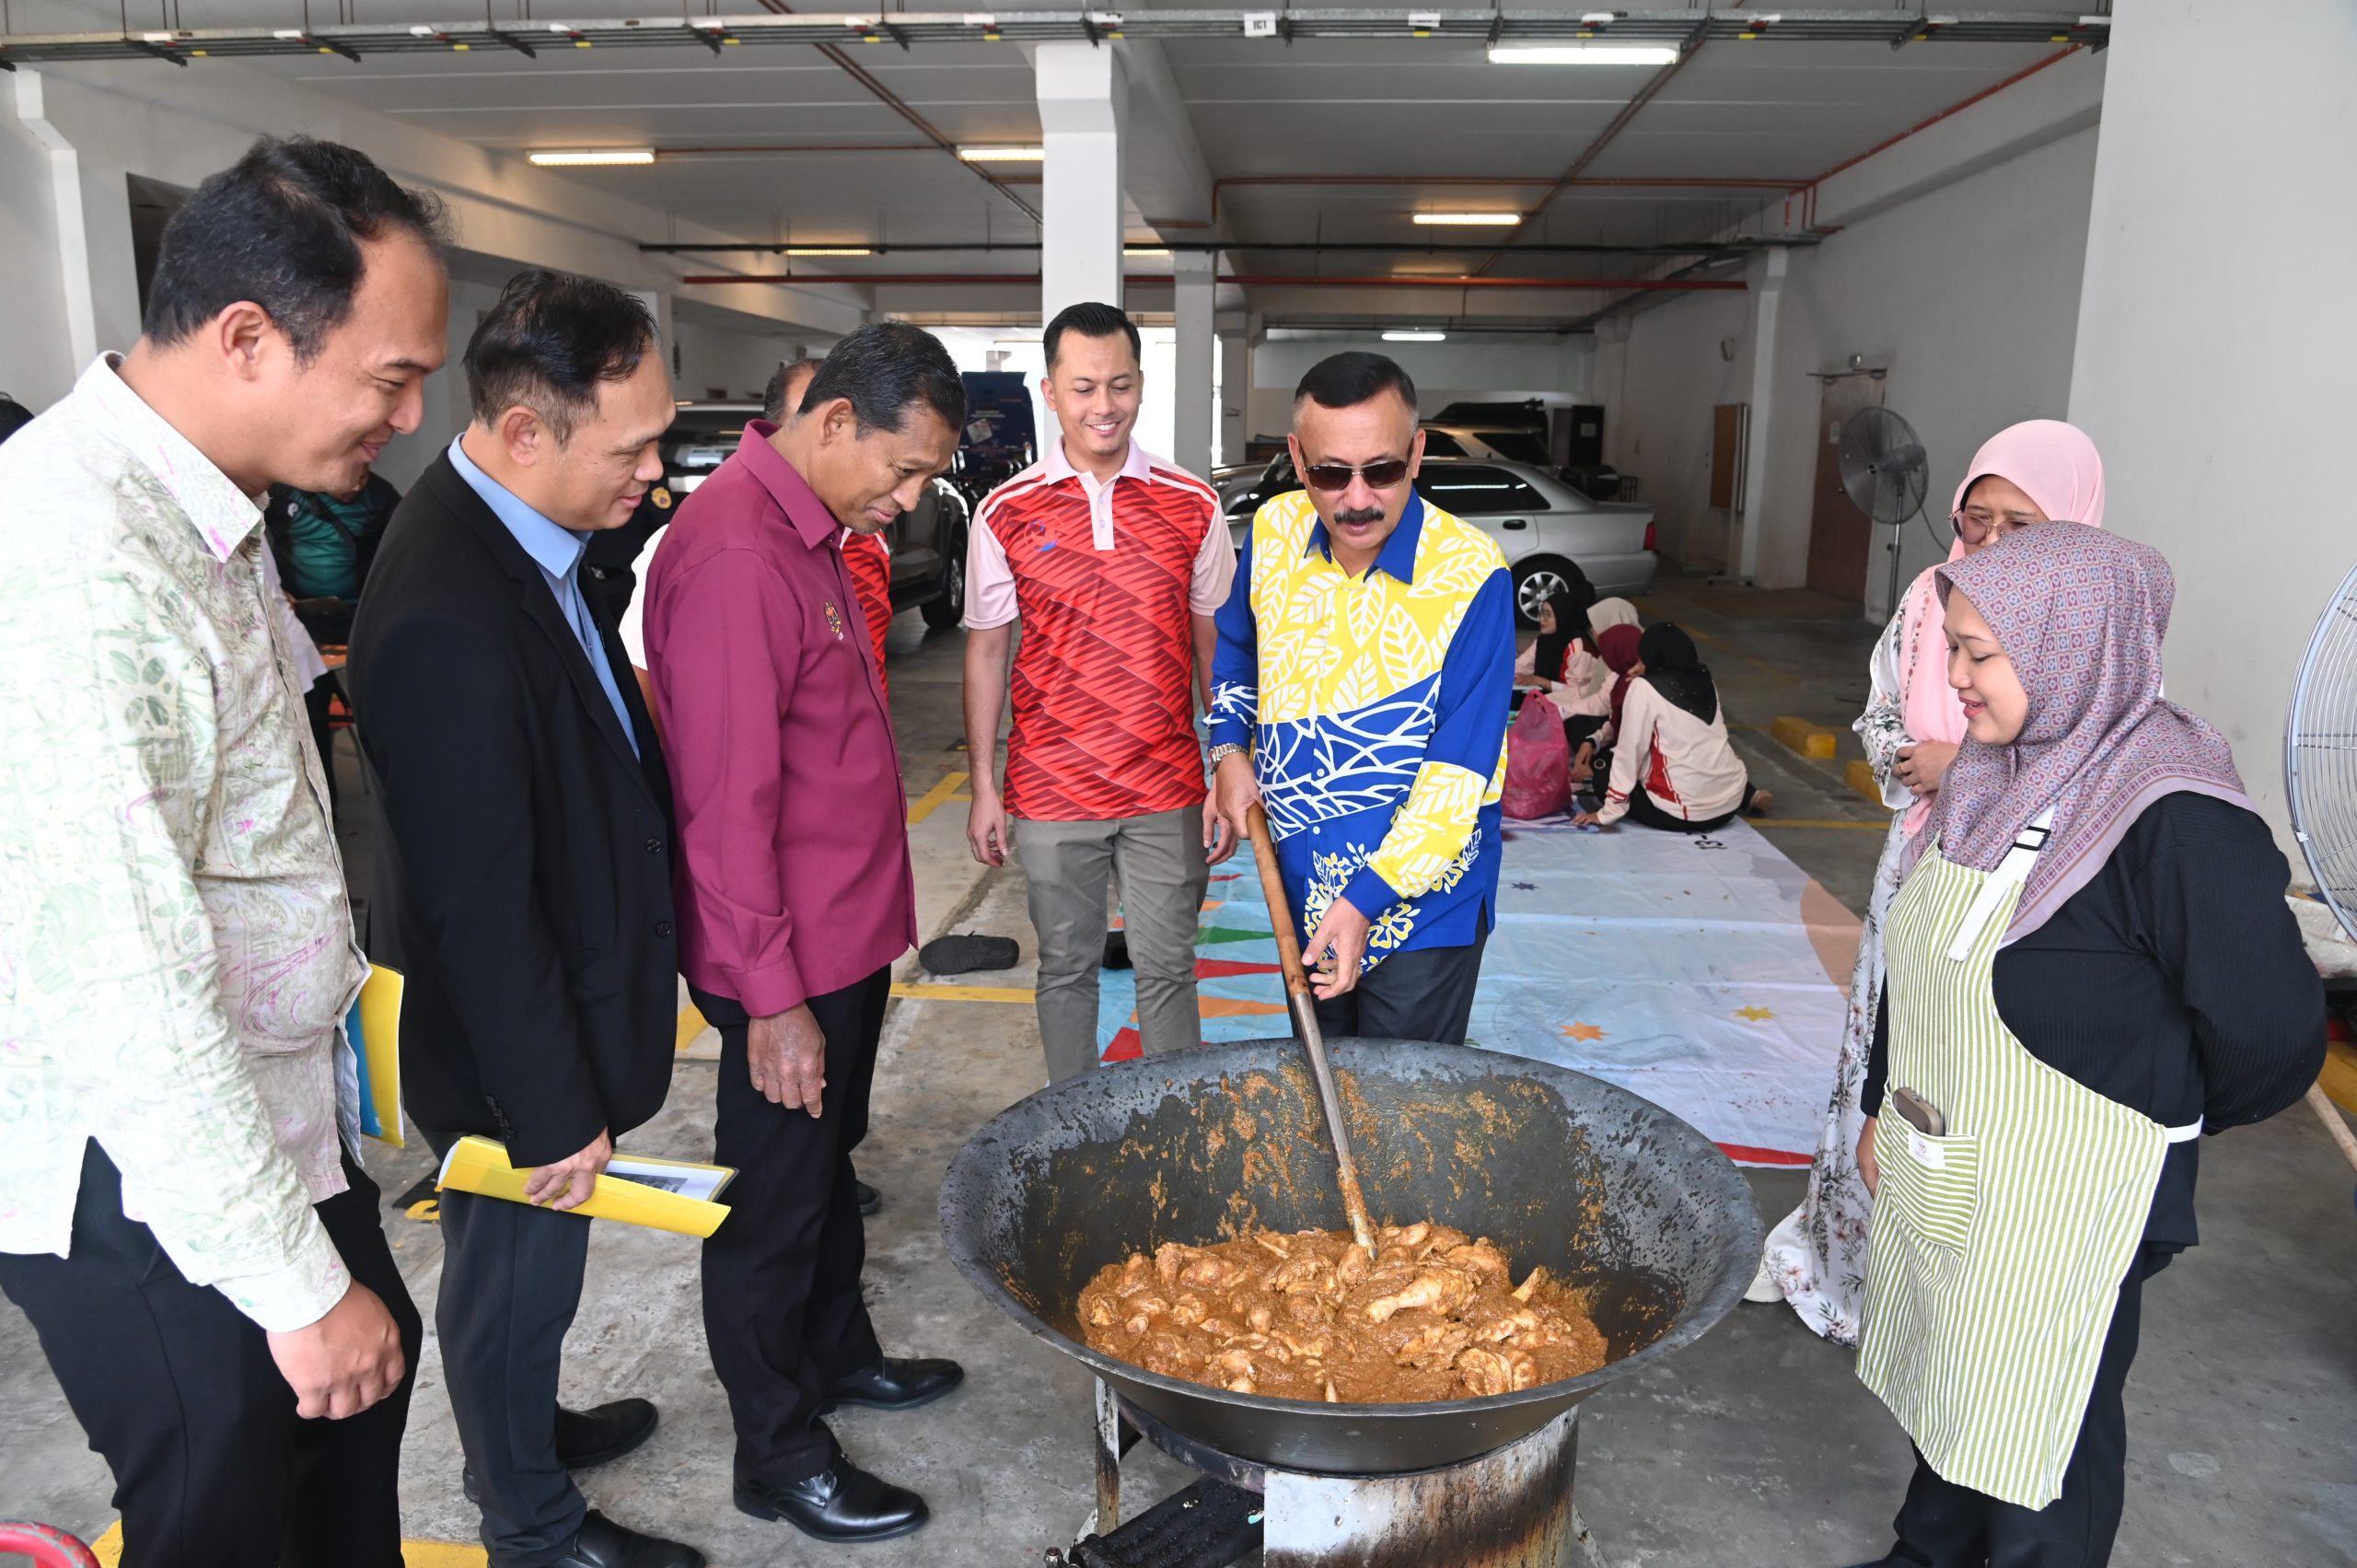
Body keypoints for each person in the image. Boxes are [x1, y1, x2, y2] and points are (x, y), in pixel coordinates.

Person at [0, 135, 444, 1568]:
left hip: (254, 1116)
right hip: (131, 1161)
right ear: (250, 337)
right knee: (234, 1493)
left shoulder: (207, 510)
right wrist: (286, 1281)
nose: (415, 410)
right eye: (390, 375)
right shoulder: (79, 557)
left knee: (351, 1429)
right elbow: (117, 981)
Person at [1840, 524, 2323, 1568]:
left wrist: (2140, 1115)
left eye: (1981, 652)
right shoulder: (1989, 775)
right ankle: (1924, 1554)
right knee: (1953, 1369)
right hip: (1951, 1151)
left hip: (2077, 1189)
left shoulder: (2174, 814)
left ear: (2074, 646)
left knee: (2046, 1418)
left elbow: (2274, 1035)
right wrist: (1888, 1098)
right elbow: (1919, 961)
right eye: (1952, 646)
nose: (1954, 678)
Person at [348, 272, 702, 1568]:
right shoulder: (451, 602)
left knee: (535, 1270)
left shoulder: (519, 539)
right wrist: (550, 1104)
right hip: (506, 1042)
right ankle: (528, 1518)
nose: (656, 475)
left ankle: (528, 1425)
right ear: (525, 433)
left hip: (548, 999)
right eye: (635, 447)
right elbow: (477, 901)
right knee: (509, 1272)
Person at [644, 321, 967, 1544]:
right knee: (773, 1203)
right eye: (906, 467)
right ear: (836, 421)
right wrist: (772, 1001)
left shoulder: (811, 530)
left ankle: (837, 1354)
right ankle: (776, 1448)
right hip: (786, 961)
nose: (910, 496)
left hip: (842, 937)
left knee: (827, 1168)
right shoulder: (735, 552)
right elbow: (727, 812)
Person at [1757, 419, 2107, 1342]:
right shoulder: (1928, 597)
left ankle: (1954, 1293)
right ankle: (1850, 1266)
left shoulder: (2087, 618)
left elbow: (2095, 756)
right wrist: (1912, 755)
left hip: (2027, 884)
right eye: (1976, 517)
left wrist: (1975, 768)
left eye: (2019, 524)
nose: (1990, 543)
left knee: (1975, 1073)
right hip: (1919, 857)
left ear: (2071, 523)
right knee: (1883, 1057)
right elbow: (1878, 712)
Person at [1206, 352, 1514, 1046]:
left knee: (1404, 1118)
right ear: (1295, 455)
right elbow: (1236, 649)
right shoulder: (1275, 532)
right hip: (1302, 896)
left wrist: (1365, 900)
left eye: (1382, 469)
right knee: (1323, 1105)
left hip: (1423, 912)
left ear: (1418, 453)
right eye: (1329, 473)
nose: (1357, 499)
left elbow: (1458, 777)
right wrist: (1228, 750)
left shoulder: (1472, 575)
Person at [964, 301, 1233, 1082]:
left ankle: (1176, 1136)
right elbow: (986, 653)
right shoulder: (1004, 513)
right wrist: (985, 785)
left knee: (1169, 971)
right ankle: (1071, 1141)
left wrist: (1225, 765)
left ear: (1141, 385)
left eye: (1118, 384)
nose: (1103, 406)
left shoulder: (1193, 504)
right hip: (1050, 788)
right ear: (1050, 392)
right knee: (1065, 971)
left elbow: (1214, 648)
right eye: (1083, 387)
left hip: (1167, 786)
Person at [265, 466, 400, 810]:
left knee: (390, 708)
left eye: (364, 476)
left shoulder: (382, 497)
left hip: (366, 619)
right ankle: (326, 806)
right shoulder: (287, 492)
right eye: (350, 476)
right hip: (306, 624)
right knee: (312, 714)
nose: (355, 485)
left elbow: (402, 554)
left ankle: (400, 795)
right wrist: (276, 588)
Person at [1573, 622, 1773, 830]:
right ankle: (1749, 795)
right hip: (1730, 804)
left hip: (1684, 813)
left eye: (1642, 656)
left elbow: (1630, 751)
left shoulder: (1642, 687)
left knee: (1603, 778)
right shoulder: (1705, 680)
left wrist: (1607, 813)